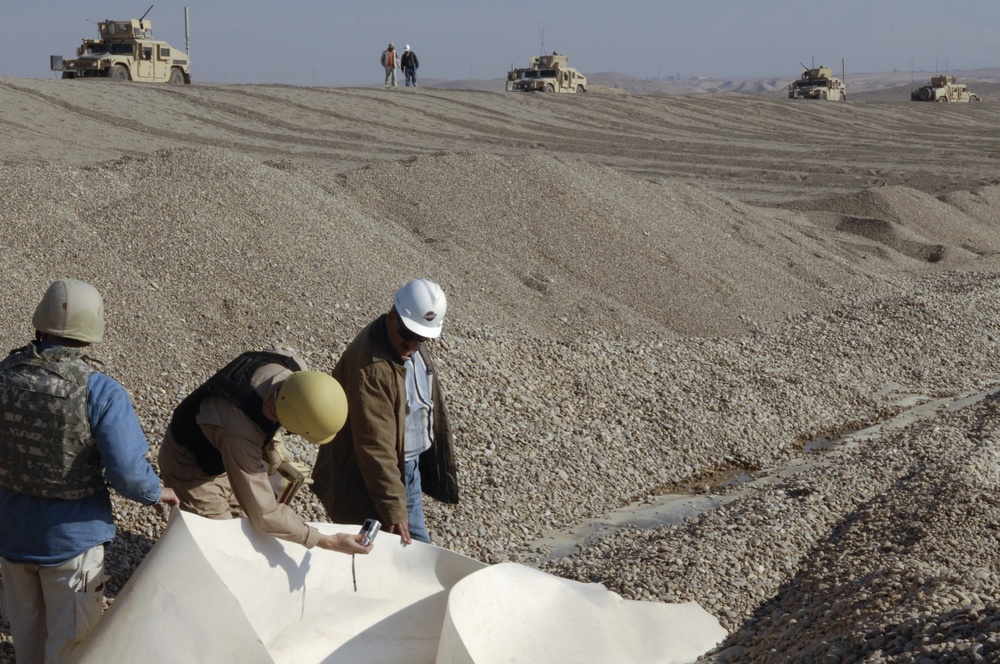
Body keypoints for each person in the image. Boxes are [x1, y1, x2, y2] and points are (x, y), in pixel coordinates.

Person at [0, 279, 180, 664]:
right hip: (72, 544)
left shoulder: (3, 375)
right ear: (92, 333)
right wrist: (155, 492)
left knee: (27, 636)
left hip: (10, 533)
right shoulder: (101, 391)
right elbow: (128, 474)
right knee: (72, 648)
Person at [157, 350, 372, 556]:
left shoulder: (291, 365)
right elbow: (265, 513)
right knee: (219, 544)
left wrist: (272, 447)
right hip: (190, 467)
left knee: (246, 529)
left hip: (220, 450)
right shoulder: (240, 432)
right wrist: (327, 540)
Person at [312, 279, 459, 545]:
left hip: (405, 464)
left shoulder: (404, 336)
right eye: (409, 337)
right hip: (378, 473)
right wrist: (393, 506)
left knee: (397, 546)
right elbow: (375, 443)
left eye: (422, 339)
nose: (413, 346)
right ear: (392, 317)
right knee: (406, 546)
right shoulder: (370, 369)